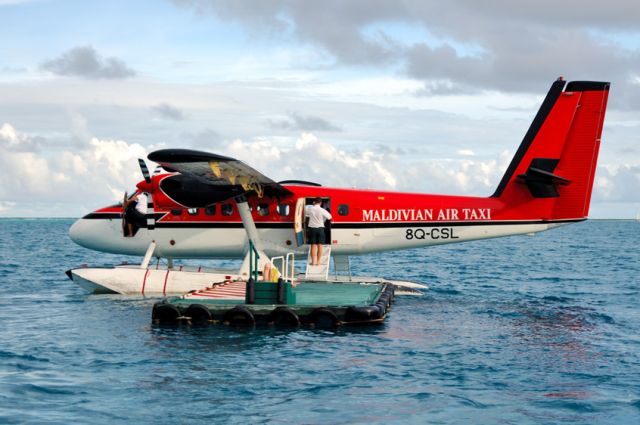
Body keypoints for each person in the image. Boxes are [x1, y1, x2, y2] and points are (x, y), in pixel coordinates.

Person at [305, 197, 332, 266]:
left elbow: (305, 213)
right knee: (320, 245)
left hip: (312, 229)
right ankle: (318, 262)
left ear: (314, 202)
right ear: (320, 203)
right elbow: (329, 217)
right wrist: (323, 218)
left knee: (313, 245)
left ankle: (313, 262)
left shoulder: (310, 209)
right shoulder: (322, 210)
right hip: (320, 228)